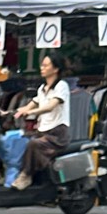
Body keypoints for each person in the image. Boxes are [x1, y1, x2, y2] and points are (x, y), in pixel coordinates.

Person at [15, 54, 71, 187]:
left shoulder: (61, 86)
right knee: (19, 140)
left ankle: (26, 176)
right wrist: (17, 111)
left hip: (57, 135)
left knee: (33, 144)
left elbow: (51, 106)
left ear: (55, 69)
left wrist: (31, 112)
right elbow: (33, 103)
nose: (42, 68)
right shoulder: (42, 88)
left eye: (46, 65)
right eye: (42, 65)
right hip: (43, 132)